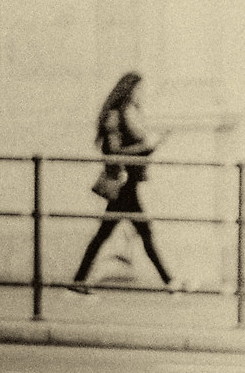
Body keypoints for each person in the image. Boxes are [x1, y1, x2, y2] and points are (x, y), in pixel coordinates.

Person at [69, 71, 177, 291]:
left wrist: (152, 145)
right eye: (139, 90)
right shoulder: (115, 115)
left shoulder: (130, 115)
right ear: (129, 91)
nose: (142, 95)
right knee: (140, 232)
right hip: (123, 184)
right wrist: (149, 146)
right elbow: (115, 151)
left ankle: (78, 281)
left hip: (129, 184)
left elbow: (134, 149)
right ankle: (170, 282)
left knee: (107, 234)